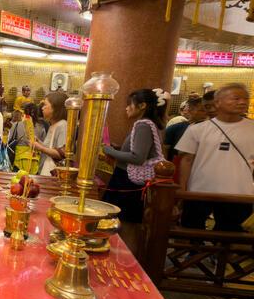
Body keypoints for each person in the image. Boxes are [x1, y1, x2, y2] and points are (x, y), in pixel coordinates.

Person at [176, 83, 254, 232]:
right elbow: (186, 160)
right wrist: (183, 190)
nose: (243, 102)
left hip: (240, 194)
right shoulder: (197, 129)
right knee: (192, 230)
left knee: (231, 236)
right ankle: (193, 254)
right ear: (217, 102)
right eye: (236, 98)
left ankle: (222, 256)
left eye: (245, 99)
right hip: (199, 191)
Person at [102, 89, 167, 251]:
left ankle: (124, 262)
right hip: (128, 179)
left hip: (128, 181)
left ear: (142, 105)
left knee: (126, 225)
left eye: (129, 104)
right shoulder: (149, 124)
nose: (126, 108)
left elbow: (138, 157)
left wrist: (108, 151)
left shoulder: (143, 125)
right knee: (122, 223)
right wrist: (118, 148)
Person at [31, 91, 68, 175]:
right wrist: (38, 142)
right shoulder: (52, 125)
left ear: (55, 108)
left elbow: (61, 154)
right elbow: (50, 148)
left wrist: (40, 148)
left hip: (52, 173)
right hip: (44, 170)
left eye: (45, 105)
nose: (42, 108)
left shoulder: (62, 125)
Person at [9, 102, 46, 173]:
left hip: (18, 161)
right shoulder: (41, 127)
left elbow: (10, 139)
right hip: (35, 161)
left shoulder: (16, 125)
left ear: (24, 112)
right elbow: (44, 145)